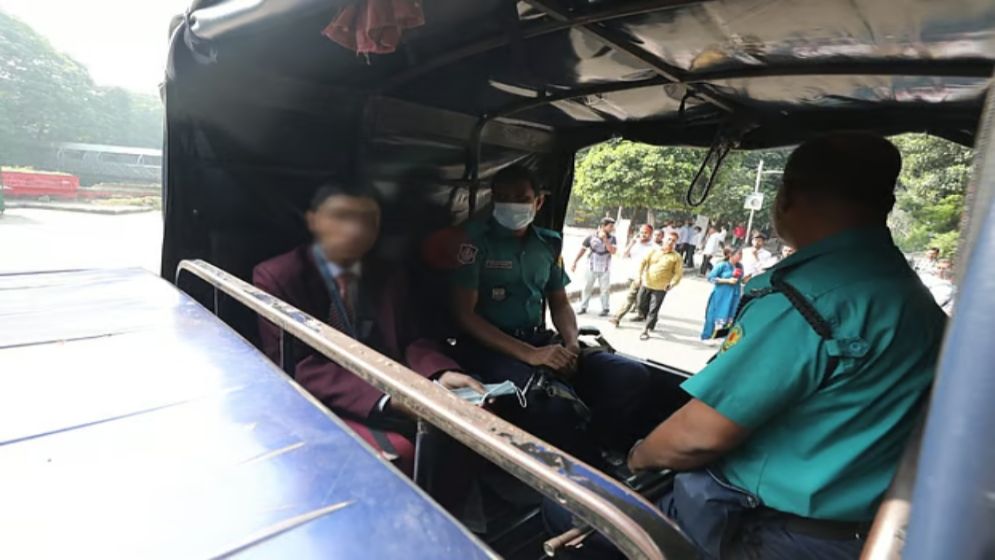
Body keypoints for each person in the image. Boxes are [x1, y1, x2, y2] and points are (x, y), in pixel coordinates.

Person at [547, 133, 947, 559]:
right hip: (854, 528)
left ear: (786, 196)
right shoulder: (908, 293)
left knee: (565, 510)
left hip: (762, 528)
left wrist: (636, 458)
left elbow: (698, 437)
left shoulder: (806, 300)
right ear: (884, 204)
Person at [253, 183, 485, 476]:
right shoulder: (278, 276)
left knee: (473, 424)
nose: (355, 229)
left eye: (368, 220)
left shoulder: (388, 272)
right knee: (399, 454)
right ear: (313, 220)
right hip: (324, 394)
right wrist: (390, 399)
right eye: (341, 216)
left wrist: (438, 374)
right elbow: (298, 364)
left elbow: (413, 336)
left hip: (395, 380)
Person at [450, 165, 668, 460]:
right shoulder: (473, 242)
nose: (512, 205)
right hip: (488, 349)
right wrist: (530, 355)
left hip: (539, 339)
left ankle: (606, 449)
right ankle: (579, 468)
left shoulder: (549, 244)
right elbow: (465, 315)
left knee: (629, 375)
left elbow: (560, 303)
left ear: (538, 201)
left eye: (521, 198)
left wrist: (571, 344)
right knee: (551, 404)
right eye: (503, 197)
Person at [636, 231, 683, 341]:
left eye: (673, 241)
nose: (670, 242)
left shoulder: (676, 257)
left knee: (654, 309)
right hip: (646, 283)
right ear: (664, 239)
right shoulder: (654, 251)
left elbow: (678, 273)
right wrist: (638, 277)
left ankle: (645, 330)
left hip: (661, 287)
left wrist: (672, 284)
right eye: (669, 239)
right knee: (640, 304)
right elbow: (642, 263)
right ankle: (651, 320)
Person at [610, 224, 656, 326]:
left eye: (646, 233)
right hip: (633, 274)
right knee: (637, 298)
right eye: (642, 232)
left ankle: (617, 317)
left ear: (651, 234)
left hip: (645, 277)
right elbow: (624, 255)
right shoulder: (636, 243)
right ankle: (642, 314)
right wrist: (631, 243)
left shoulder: (654, 247)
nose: (643, 234)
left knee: (631, 297)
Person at [572, 217, 617, 316]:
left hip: (605, 268)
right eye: (610, 226)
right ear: (603, 226)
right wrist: (575, 262)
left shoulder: (612, 239)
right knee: (586, 287)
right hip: (591, 266)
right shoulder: (591, 237)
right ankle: (583, 307)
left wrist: (605, 239)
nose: (612, 228)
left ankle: (605, 308)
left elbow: (612, 251)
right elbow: (582, 249)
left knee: (605, 289)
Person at [700, 248, 744, 341]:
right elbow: (711, 277)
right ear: (731, 255)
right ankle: (707, 335)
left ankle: (722, 336)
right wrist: (726, 280)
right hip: (721, 294)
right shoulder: (722, 265)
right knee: (714, 314)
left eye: (741, 254)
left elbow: (741, 279)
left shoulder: (740, 266)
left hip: (734, 294)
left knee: (730, 315)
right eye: (739, 254)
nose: (740, 256)